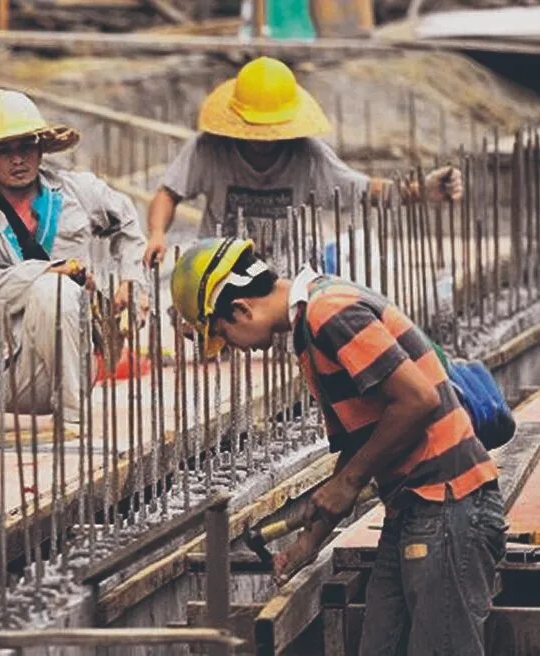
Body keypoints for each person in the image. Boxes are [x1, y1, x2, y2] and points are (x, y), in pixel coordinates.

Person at [170, 238, 506, 655]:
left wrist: (347, 483)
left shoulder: (329, 311)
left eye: (224, 334)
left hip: (448, 504)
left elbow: (419, 401)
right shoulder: (311, 330)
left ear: (241, 309)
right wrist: (310, 540)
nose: (234, 348)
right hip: (414, 508)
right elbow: (365, 440)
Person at [0, 89, 146, 428]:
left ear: (40, 148)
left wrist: (130, 279)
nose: (17, 159)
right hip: (4, 368)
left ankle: (72, 421)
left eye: (25, 146)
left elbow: (126, 221)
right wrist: (48, 271)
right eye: (3, 151)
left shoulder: (78, 191)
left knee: (57, 293)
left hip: (73, 361)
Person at [143, 56, 464, 266]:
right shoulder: (208, 149)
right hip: (218, 265)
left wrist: (420, 191)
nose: (264, 138)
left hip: (284, 267)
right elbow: (168, 192)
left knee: (299, 313)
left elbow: (364, 190)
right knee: (195, 316)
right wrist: (157, 233)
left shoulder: (308, 155)